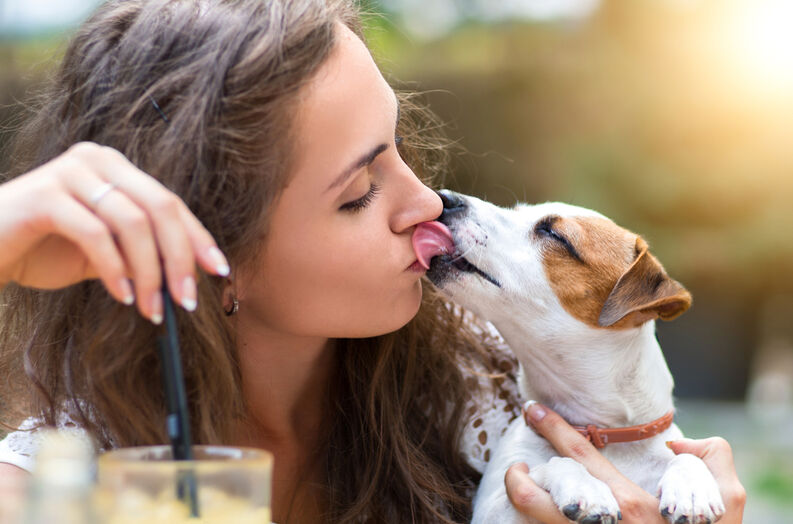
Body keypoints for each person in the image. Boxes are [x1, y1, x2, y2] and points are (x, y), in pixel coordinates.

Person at [0, 1, 745, 523]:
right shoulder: (67, 478)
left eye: (400, 149)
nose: (427, 203)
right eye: (358, 192)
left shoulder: (486, 386)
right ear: (215, 256)